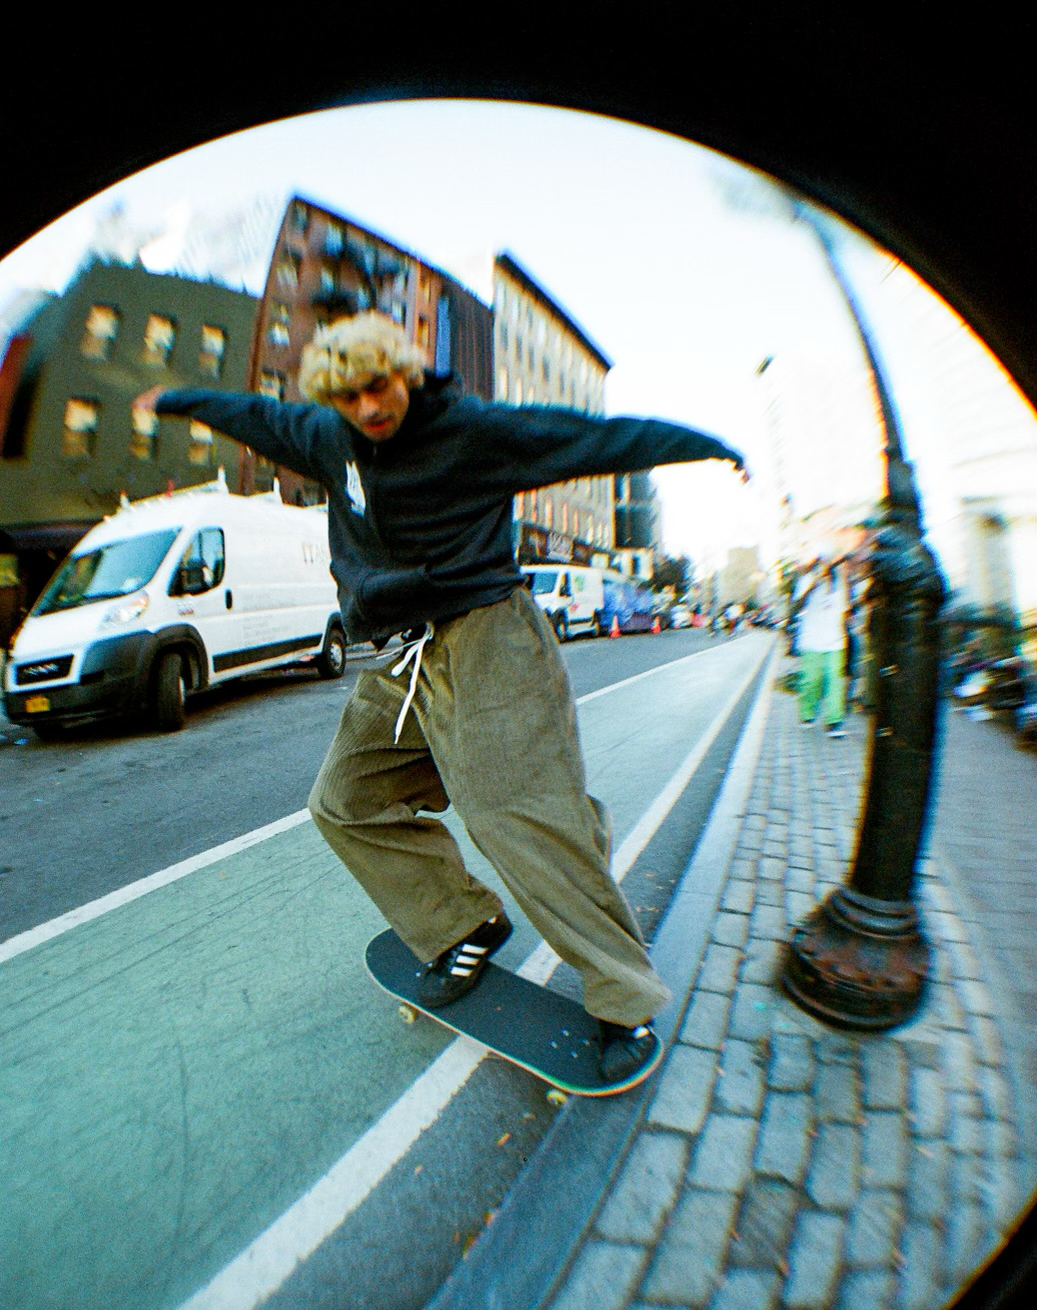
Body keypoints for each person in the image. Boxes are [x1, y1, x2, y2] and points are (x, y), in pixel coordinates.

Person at [134, 312, 747, 1089]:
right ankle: (463, 920)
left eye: (380, 387)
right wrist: (173, 399)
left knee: (515, 814)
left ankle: (624, 996)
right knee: (344, 799)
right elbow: (249, 414)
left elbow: (596, 437)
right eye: (351, 397)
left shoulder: (473, 432)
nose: (370, 408)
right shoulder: (326, 436)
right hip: (407, 651)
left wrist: (711, 448)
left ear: (406, 371)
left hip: (490, 637)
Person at [792, 555, 850, 735]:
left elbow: (845, 610)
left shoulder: (840, 584)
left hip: (835, 642)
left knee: (834, 681)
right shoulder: (807, 580)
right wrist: (813, 584)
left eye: (829, 564)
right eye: (822, 564)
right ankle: (807, 715)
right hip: (811, 641)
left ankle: (833, 721)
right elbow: (797, 606)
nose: (826, 568)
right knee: (810, 681)